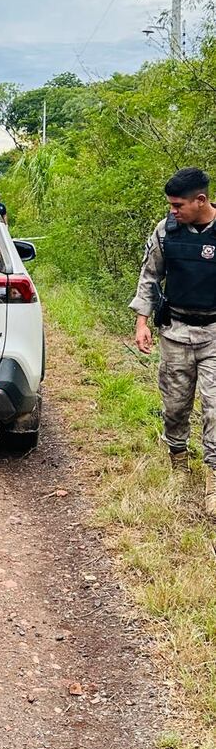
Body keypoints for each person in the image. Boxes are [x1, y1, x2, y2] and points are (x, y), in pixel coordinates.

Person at [131, 167, 216, 516]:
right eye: (170, 205)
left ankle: (213, 478)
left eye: (178, 205)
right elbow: (150, 276)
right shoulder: (166, 232)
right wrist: (141, 321)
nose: (173, 211)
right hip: (176, 331)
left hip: (215, 334)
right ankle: (177, 459)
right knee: (176, 405)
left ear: (201, 200)